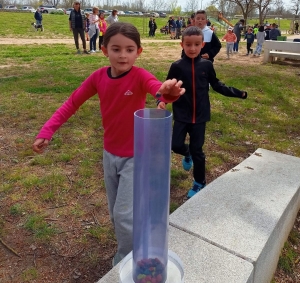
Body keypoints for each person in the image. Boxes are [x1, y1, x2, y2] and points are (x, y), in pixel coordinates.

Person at [32, 22, 185, 266]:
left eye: (129, 49)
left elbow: (159, 91)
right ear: (105, 50)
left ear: (138, 52)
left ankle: (127, 261)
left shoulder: (140, 75)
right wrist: (47, 131)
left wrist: (168, 91)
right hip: (109, 155)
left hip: (136, 157)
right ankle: (131, 245)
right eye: (116, 49)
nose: (123, 55)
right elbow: (72, 103)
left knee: (123, 215)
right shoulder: (97, 78)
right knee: (117, 213)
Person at [157, 26, 247, 199]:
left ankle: (200, 182)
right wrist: (162, 101)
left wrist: (237, 93)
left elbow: (217, 85)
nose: (192, 48)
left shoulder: (206, 65)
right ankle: (186, 153)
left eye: (196, 44)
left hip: (200, 116)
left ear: (202, 44)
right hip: (182, 114)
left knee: (198, 150)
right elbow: (167, 87)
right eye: (188, 44)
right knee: (175, 145)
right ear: (182, 44)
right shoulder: (176, 66)